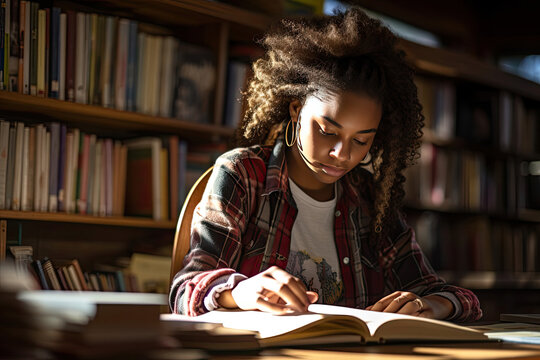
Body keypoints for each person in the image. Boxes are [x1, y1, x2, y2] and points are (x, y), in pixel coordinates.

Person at [169, 8, 482, 322]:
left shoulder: (369, 197)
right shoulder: (243, 174)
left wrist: (432, 305)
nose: (342, 154)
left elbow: (450, 295)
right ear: (295, 109)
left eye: (361, 140)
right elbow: (185, 290)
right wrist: (239, 292)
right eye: (328, 131)